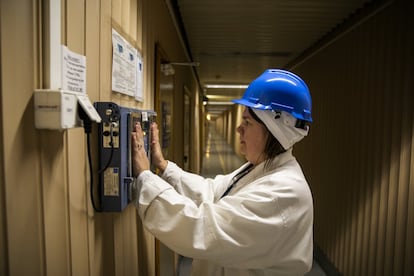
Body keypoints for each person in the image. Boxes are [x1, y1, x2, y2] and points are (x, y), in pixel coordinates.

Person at [131, 69, 314, 276]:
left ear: (274, 130)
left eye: (247, 123)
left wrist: (145, 178)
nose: (239, 129)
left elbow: (202, 228)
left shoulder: (282, 194)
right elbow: (215, 192)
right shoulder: (263, 168)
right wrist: (164, 167)